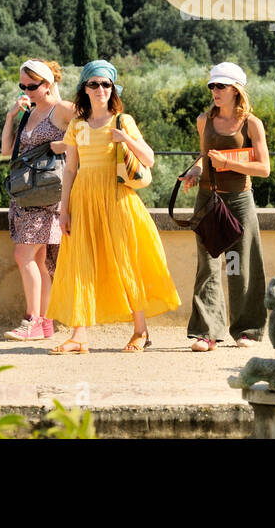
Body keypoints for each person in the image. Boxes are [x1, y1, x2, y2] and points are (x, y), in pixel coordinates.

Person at [47, 60, 180, 354]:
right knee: (80, 263)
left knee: (126, 262)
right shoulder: (77, 125)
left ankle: (140, 332)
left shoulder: (123, 120)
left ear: (112, 88)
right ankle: (79, 336)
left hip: (118, 201)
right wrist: (64, 209)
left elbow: (149, 158)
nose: (100, 89)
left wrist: (126, 139)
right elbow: (70, 169)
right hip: (83, 200)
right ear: (85, 88)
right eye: (94, 84)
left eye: (106, 84)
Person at [179, 62, 270, 352]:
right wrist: (194, 172)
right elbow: (203, 156)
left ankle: (247, 330)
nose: (215, 91)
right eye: (212, 86)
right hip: (208, 198)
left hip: (240, 200)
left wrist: (229, 164)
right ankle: (206, 332)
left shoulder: (251, 124)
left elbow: (264, 168)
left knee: (241, 264)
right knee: (207, 264)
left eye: (221, 86)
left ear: (236, 90)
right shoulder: (203, 120)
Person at [0, 59, 75, 341]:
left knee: (23, 256)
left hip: (47, 197)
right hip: (26, 196)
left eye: (33, 85)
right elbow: (7, 150)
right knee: (40, 261)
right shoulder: (29, 113)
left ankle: (32, 319)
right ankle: (44, 324)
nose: (27, 90)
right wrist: (10, 118)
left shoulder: (63, 109)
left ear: (49, 83)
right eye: (23, 86)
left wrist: (64, 145)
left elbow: (94, 129)